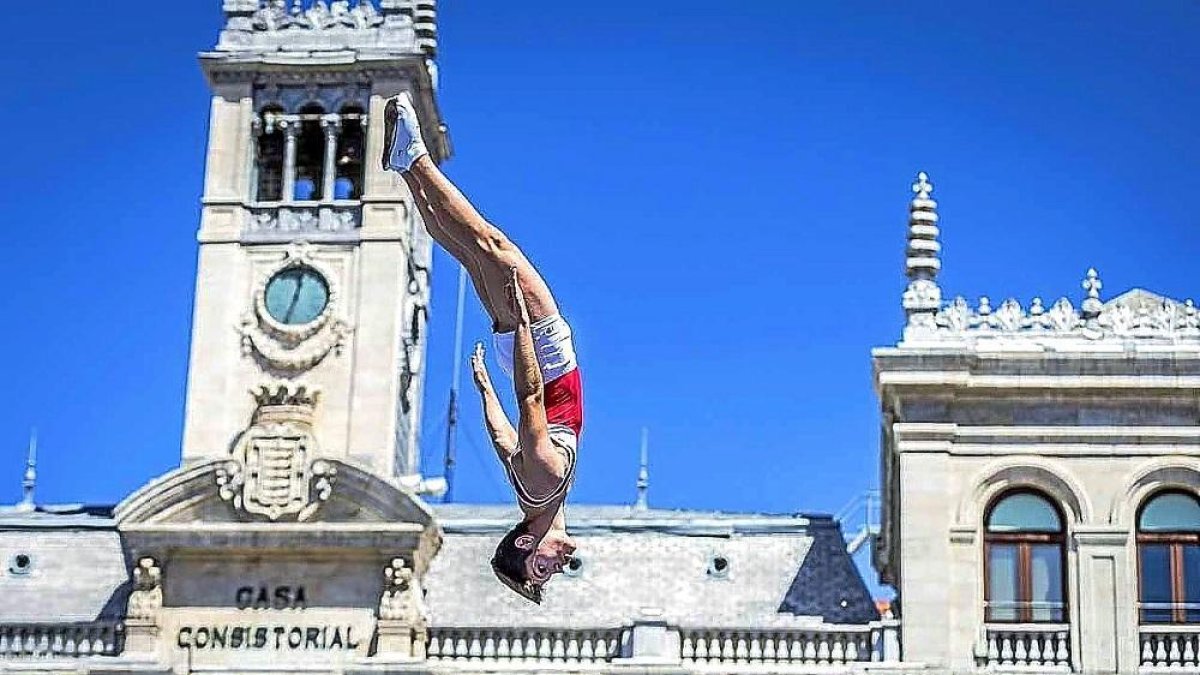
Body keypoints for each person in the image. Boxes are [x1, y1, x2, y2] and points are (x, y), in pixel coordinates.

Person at [382, 92, 582, 604]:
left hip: (543, 354)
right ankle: (405, 171)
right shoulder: (532, 494)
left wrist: (523, 326)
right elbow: (500, 435)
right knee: (469, 255)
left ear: (525, 543)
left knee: (491, 245)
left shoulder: (546, 480)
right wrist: (485, 387)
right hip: (520, 351)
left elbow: (531, 398)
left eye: (542, 567)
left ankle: (416, 161)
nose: (557, 566)